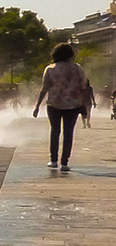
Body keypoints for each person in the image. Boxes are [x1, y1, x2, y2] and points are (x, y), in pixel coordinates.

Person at [32, 42, 86, 170]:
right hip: (73, 105)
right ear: (71, 55)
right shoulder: (77, 69)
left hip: (54, 104)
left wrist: (37, 106)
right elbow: (83, 86)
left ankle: (53, 160)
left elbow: (44, 88)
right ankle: (65, 163)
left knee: (55, 131)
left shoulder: (50, 69)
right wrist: (83, 103)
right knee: (69, 133)